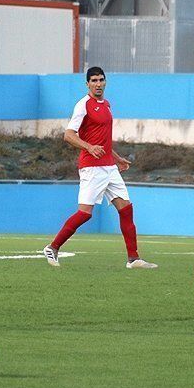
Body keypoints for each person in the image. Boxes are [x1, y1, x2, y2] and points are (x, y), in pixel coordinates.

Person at [42, 66, 157, 269]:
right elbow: (68, 135)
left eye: (101, 80)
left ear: (105, 82)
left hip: (109, 167)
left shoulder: (107, 105)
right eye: (93, 80)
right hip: (91, 168)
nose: (98, 84)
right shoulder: (83, 105)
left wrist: (118, 158)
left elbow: (103, 141)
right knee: (85, 213)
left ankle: (133, 258)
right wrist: (88, 147)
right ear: (87, 84)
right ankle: (53, 247)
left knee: (126, 209)